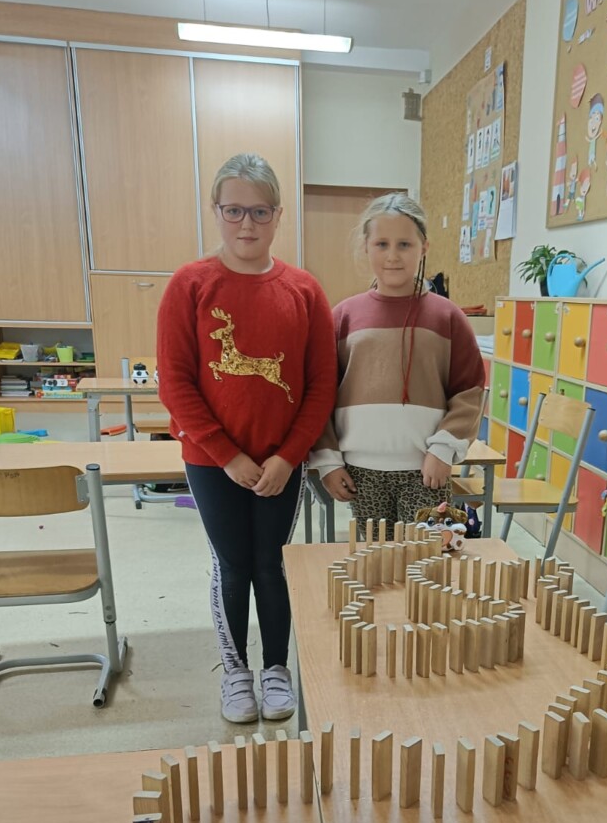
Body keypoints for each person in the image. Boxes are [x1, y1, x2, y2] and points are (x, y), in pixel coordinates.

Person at [157, 153, 336, 725]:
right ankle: (236, 671)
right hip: (213, 464)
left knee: (270, 564)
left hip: (282, 464)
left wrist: (289, 456)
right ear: (216, 211)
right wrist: (226, 454)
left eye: (260, 211)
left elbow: (321, 385)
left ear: (278, 214)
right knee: (232, 565)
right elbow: (175, 382)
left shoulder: (305, 291)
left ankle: (275, 669)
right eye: (233, 210)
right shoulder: (189, 285)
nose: (247, 224)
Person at [310, 193, 485, 540]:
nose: (393, 255)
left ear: (424, 247)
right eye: (382, 244)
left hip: (427, 470)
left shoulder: (448, 316)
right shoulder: (343, 316)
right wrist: (328, 461)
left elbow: (469, 390)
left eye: (404, 244)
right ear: (366, 246)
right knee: (380, 560)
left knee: (428, 558)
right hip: (361, 472)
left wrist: (444, 449)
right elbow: (319, 394)